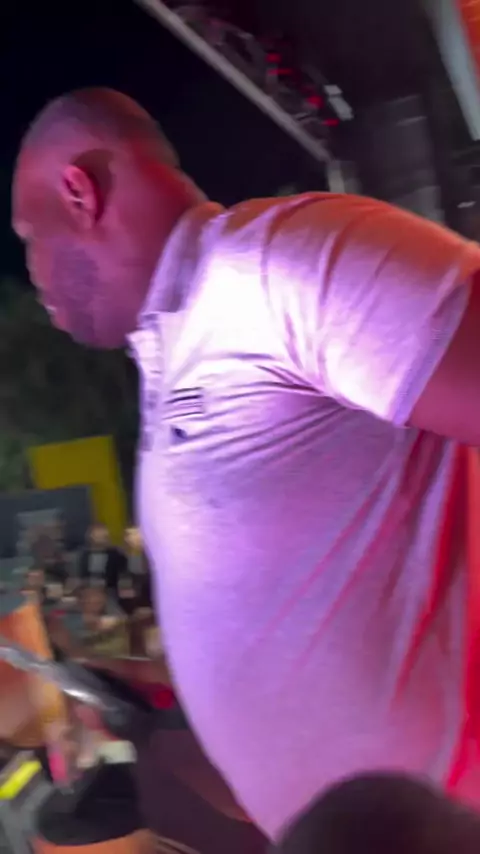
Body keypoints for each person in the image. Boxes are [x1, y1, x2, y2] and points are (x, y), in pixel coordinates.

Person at [11, 87, 480, 841]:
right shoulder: (180, 351)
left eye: (29, 236)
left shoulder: (275, 265)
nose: (31, 272)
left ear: (79, 192)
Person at [77, 523, 127, 593]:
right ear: (90, 536)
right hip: (87, 591)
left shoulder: (115, 555)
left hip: (110, 591)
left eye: (102, 534)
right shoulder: (82, 555)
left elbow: (123, 576)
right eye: (97, 534)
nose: (100, 537)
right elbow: (78, 577)